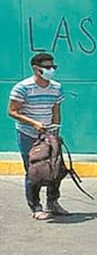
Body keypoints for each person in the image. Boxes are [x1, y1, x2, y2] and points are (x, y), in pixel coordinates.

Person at [7, 52, 68, 220]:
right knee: (34, 171)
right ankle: (35, 206)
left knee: (56, 168)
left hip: (49, 134)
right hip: (28, 134)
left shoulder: (56, 87)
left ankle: (53, 203)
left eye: (53, 67)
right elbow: (12, 111)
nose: (51, 70)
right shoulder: (23, 88)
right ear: (36, 69)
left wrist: (55, 130)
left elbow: (56, 109)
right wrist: (33, 123)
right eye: (47, 67)